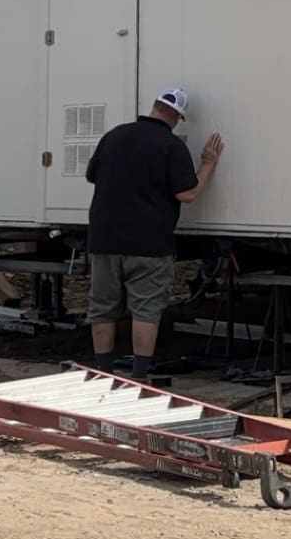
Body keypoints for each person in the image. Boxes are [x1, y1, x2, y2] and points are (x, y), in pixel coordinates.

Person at [83, 87, 224, 379]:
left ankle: (103, 372)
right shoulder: (172, 146)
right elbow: (188, 193)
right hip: (149, 243)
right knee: (145, 309)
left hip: (104, 239)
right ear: (177, 118)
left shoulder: (114, 136)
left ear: (154, 107)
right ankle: (139, 375)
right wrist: (208, 164)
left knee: (103, 307)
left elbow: (91, 175)